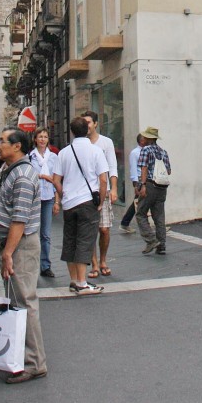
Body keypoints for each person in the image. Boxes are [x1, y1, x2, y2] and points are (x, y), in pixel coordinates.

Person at [0, 127, 47, 384]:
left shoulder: (22, 175)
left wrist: (8, 253)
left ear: (17, 147)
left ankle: (33, 363)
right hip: (15, 246)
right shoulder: (11, 169)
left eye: (2, 141)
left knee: (24, 302)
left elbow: (19, 218)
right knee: (18, 300)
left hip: (20, 246)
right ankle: (19, 356)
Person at [52, 116, 108, 295]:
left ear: (72, 132)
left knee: (70, 240)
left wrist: (63, 194)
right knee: (85, 240)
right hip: (87, 202)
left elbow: (56, 180)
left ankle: (73, 280)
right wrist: (100, 200)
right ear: (87, 130)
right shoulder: (96, 151)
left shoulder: (64, 152)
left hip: (69, 203)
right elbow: (103, 179)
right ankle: (83, 282)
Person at [83, 110, 118, 278]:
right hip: (86, 193)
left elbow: (112, 166)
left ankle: (103, 259)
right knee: (90, 230)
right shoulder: (81, 144)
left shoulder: (106, 142)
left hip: (103, 192)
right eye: (84, 123)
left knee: (104, 229)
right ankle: (95, 264)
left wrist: (114, 188)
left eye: (88, 122)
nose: (86, 126)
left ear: (95, 124)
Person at [29, 126, 60, 278]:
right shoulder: (30, 157)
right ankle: (32, 265)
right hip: (33, 198)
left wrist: (57, 201)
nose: (42, 139)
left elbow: (57, 180)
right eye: (40, 136)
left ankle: (45, 266)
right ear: (35, 139)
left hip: (48, 198)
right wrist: (42, 176)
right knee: (31, 232)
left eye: (45, 137)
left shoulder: (53, 157)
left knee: (46, 234)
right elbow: (29, 176)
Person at [135, 126, 171, 255]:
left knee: (140, 213)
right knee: (159, 216)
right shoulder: (163, 152)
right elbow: (169, 171)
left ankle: (151, 239)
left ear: (148, 138)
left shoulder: (146, 150)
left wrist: (142, 185)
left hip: (150, 184)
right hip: (162, 187)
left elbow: (143, 168)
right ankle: (162, 245)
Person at [119, 134, 146, 233]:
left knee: (141, 202)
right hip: (140, 180)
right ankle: (124, 223)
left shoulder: (146, 151)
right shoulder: (135, 153)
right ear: (141, 141)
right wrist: (135, 184)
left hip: (146, 179)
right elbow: (133, 168)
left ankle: (125, 223)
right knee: (137, 202)